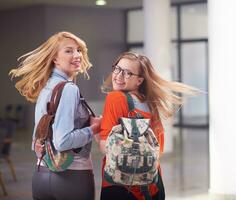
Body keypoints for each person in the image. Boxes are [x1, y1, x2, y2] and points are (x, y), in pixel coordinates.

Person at [9, 31, 101, 200]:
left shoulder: (47, 86)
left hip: (41, 176)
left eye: (79, 50)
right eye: (69, 51)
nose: (77, 55)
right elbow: (63, 141)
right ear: (55, 58)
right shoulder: (68, 88)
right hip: (72, 178)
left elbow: (37, 141)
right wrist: (94, 128)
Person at [98, 52, 198, 200]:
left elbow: (105, 147)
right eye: (117, 69)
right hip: (154, 186)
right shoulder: (152, 104)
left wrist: (96, 131)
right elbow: (159, 149)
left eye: (127, 73)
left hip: (122, 188)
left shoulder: (115, 98)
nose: (118, 75)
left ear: (139, 81)